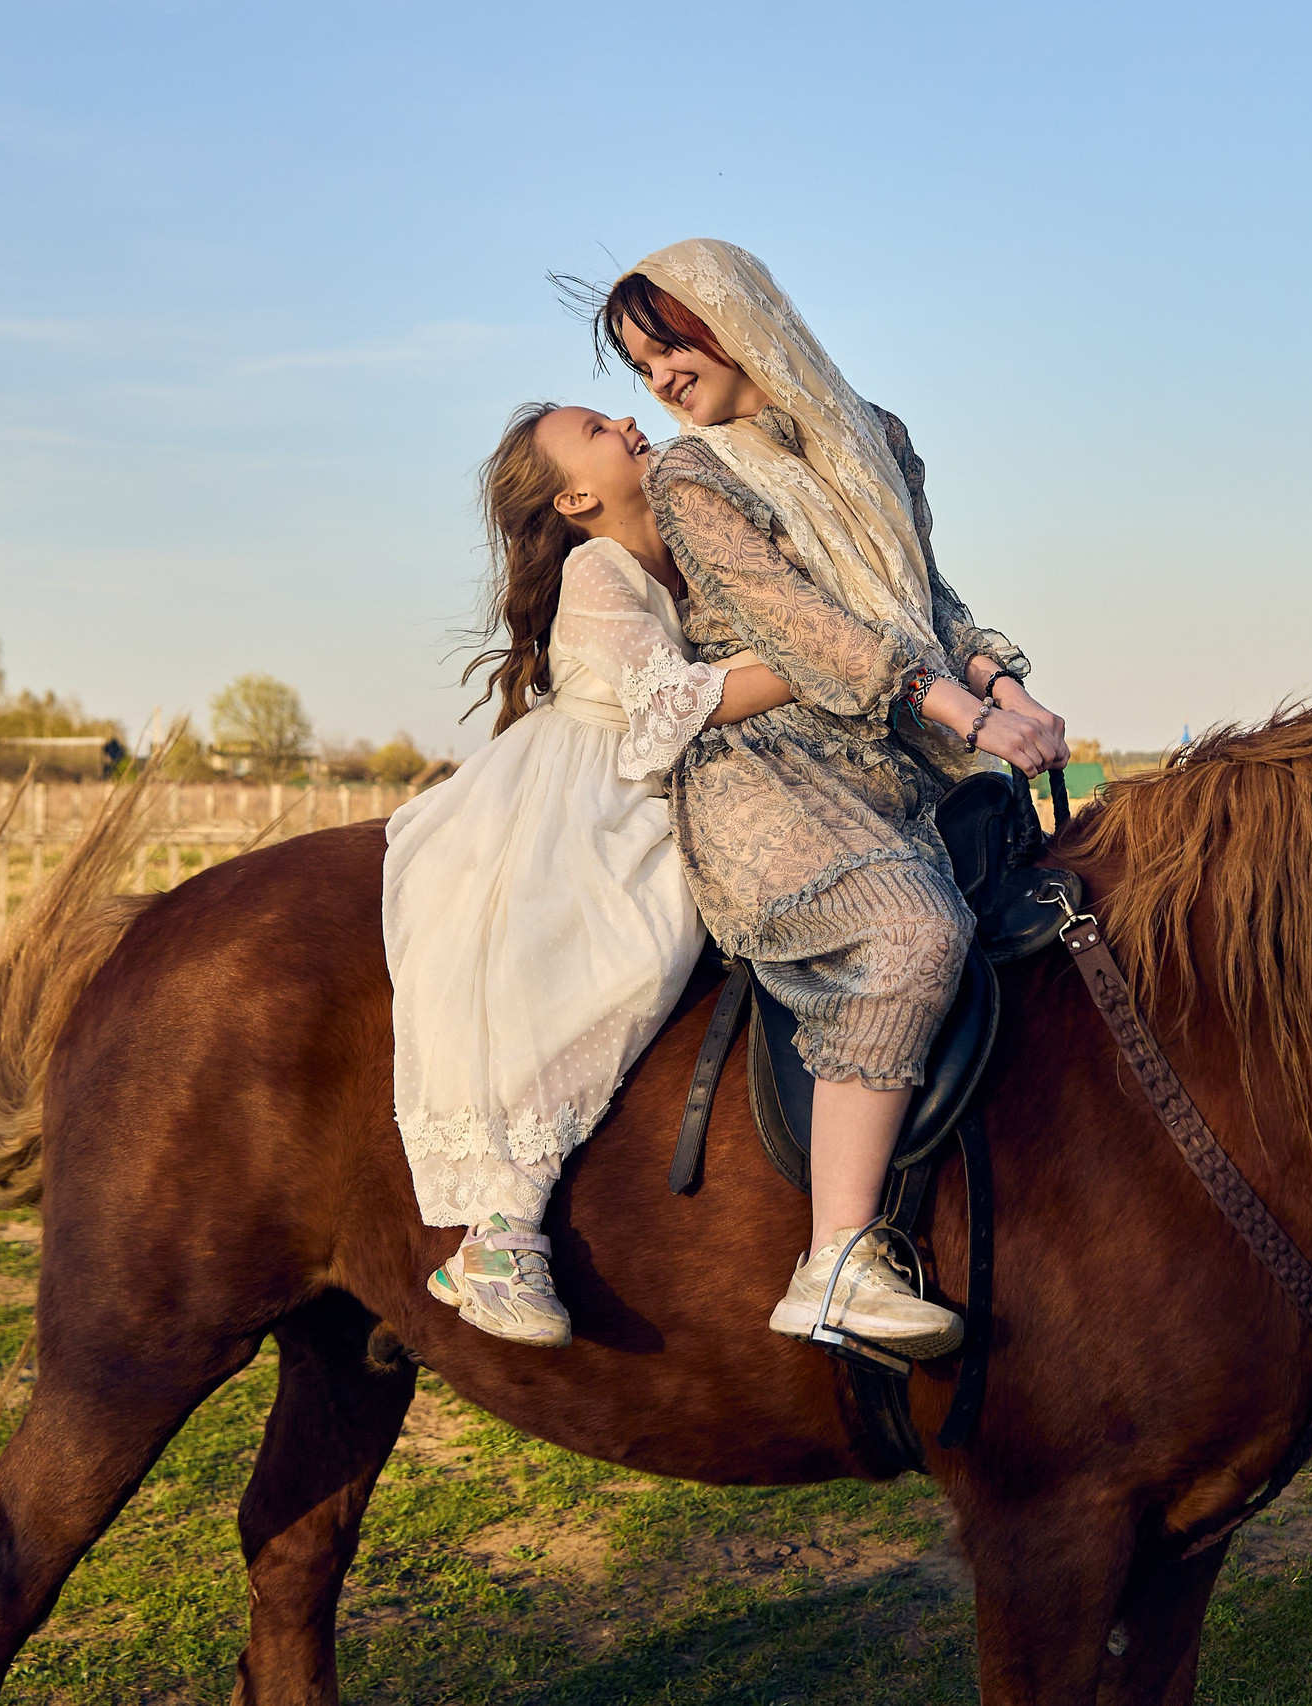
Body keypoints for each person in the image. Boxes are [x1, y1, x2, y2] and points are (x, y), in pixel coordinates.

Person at [585, 239, 1069, 1359]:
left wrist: (1007, 689)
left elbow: (923, 598)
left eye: (669, 346)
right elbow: (808, 628)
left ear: (736, 319)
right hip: (771, 763)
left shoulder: (878, 438)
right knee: (911, 932)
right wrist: (968, 717)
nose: (659, 379)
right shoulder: (691, 477)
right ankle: (837, 1261)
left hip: (903, 748)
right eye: (640, 365)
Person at [383, 401, 796, 1346]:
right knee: (617, 957)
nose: (627, 419)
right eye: (597, 430)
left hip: (643, 777)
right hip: (583, 789)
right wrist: (827, 662)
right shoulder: (597, 568)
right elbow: (675, 699)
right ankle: (499, 1227)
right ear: (573, 499)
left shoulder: (677, 557)